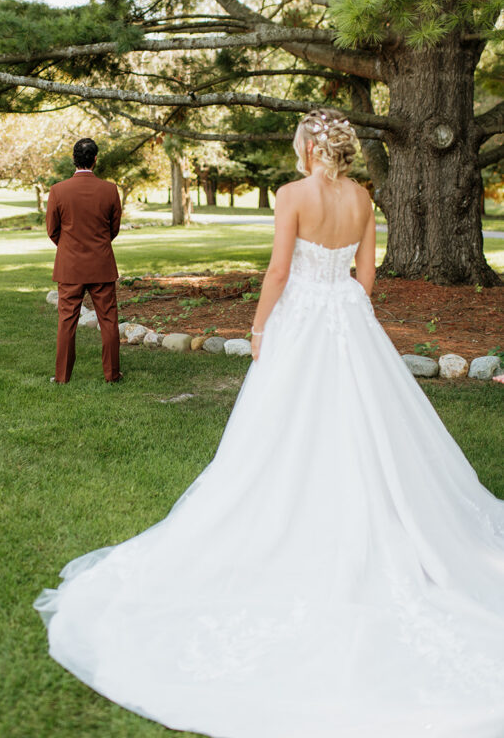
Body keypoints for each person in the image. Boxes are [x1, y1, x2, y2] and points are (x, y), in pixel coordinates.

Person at [35, 110, 504, 737]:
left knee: (282, 428)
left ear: (310, 148)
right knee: (369, 423)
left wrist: (260, 327)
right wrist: (347, 310)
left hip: (304, 318)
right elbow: (368, 275)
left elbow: (279, 271)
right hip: (348, 317)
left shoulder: (292, 195)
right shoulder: (364, 197)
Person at [45, 137, 122, 384]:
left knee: (66, 322)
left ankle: (62, 377)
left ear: (73, 160)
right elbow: (114, 229)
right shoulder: (110, 190)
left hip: (70, 267)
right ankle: (112, 375)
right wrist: (98, 245)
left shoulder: (58, 190)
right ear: (95, 160)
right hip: (101, 265)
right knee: (108, 321)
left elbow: (52, 230)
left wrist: (69, 247)